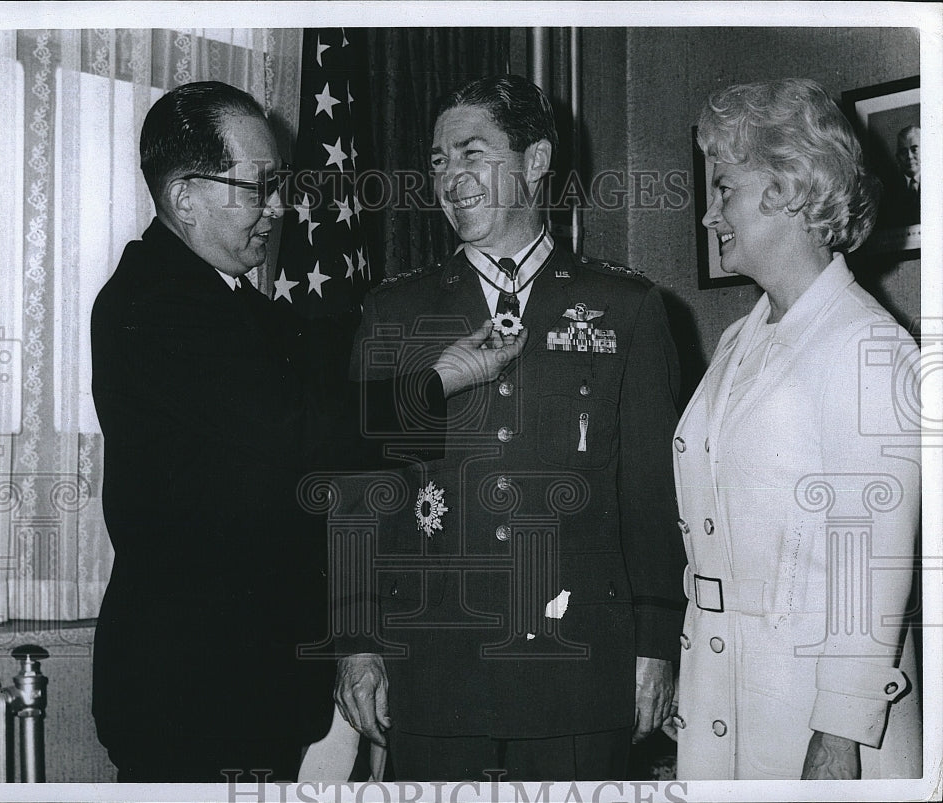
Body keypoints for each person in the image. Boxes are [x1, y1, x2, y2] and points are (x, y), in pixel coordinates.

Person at [90, 80, 525, 782]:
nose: (279, 206)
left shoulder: (228, 302)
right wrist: (441, 380)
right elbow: (302, 430)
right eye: (259, 186)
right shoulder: (155, 305)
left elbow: (327, 365)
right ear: (184, 198)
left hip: (245, 692)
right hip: (194, 700)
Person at [334, 74, 686, 781]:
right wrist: (355, 638)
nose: (450, 178)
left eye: (471, 153)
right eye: (437, 161)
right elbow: (363, 491)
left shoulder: (626, 306)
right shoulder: (396, 311)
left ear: (534, 161)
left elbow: (651, 494)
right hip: (435, 670)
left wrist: (656, 646)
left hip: (580, 670)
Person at [668, 78, 921, 780]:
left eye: (725, 189)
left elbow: (867, 573)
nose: (709, 215)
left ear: (786, 188)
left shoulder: (868, 350)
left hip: (818, 726)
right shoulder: (736, 343)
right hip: (728, 695)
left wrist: (836, 742)